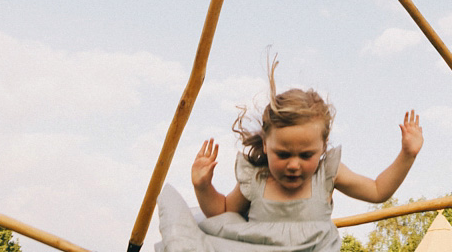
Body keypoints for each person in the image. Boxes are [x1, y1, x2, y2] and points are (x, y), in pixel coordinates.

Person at [155, 56, 424, 251]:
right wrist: (203, 186)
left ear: (323, 146)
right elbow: (222, 212)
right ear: (265, 144)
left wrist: (406, 155)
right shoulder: (258, 178)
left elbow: (378, 190)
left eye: (306, 155)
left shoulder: (326, 174)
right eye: (283, 154)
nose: (294, 165)